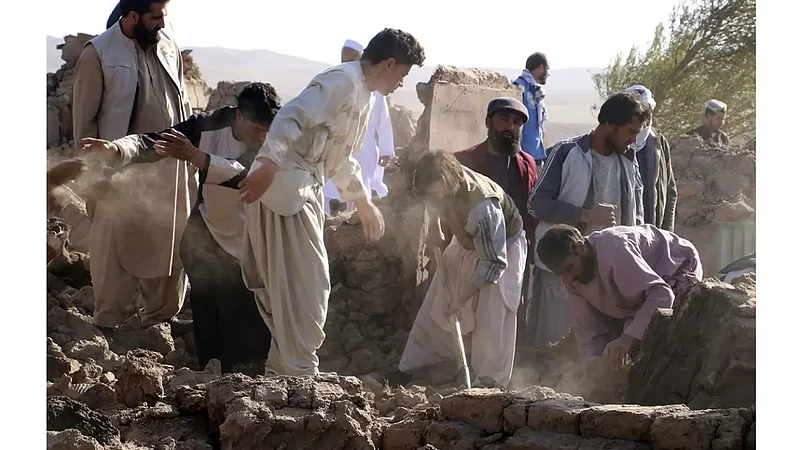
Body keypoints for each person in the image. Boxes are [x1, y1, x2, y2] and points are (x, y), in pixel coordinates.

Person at [237, 28, 425, 377]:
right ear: (388, 64)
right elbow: (292, 116)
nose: (401, 83)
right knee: (308, 286)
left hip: (302, 189)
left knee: (296, 287)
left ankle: (285, 370)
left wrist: (363, 201)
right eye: (402, 74)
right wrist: (268, 164)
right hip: (287, 189)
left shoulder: (364, 95)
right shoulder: (342, 81)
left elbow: (340, 157)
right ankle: (299, 371)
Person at [80, 83, 280, 373]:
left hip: (250, 240)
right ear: (239, 116)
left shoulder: (274, 140)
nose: (262, 136)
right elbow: (155, 142)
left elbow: (245, 176)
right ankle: (208, 375)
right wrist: (117, 149)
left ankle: (248, 377)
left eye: (266, 130)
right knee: (208, 314)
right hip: (207, 234)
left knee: (247, 320)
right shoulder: (208, 126)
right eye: (257, 129)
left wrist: (197, 157)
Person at [73, 0, 194, 331]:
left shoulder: (168, 46)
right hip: (118, 171)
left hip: (168, 169)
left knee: (170, 243)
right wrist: (93, 174)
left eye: (164, 17)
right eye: (155, 17)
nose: (162, 25)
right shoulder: (98, 54)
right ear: (132, 16)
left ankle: (160, 320)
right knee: (113, 248)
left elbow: (182, 103)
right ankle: (109, 324)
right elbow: (84, 122)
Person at [526, 91, 649, 349]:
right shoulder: (567, 152)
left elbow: (637, 215)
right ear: (609, 124)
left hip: (609, 274)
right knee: (556, 345)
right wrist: (584, 215)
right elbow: (536, 204)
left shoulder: (629, 160)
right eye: (630, 131)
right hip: (565, 269)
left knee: (601, 346)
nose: (633, 139)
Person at [398, 150, 527, 387]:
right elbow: (432, 202)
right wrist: (435, 228)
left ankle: (488, 383)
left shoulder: (483, 207)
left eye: (439, 193)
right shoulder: (437, 187)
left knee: (491, 313)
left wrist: (460, 299)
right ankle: (419, 365)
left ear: (450, 181)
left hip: (501, 248)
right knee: (438, 302)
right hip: (465, 239)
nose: (436, 198)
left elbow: (493, 263)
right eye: (431, 195)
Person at [536, 224, 703, 365]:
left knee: (644, 343)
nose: (569, 278)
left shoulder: (613, 251)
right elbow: (588, 330)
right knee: (615, 344)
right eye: (562, 274)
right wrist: (591, 364)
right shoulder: (572, 279)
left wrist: (627, 339)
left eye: (569, 267)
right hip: (638, 297)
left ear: (580, 247)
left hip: (677, 272)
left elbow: (662, 295)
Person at [451, 97, 539, 348]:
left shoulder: (527, 163)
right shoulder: (464, 161)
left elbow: (529, 210)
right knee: (468, 308)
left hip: (512, 250)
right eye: (504, 120)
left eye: (517, 122)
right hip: (473, 250)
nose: (510, 127)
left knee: (504, 311)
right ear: (488, 122)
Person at [323, 39, 397, 215]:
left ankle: (357, 220)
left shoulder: (375, 89)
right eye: (344, 60)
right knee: (334, 188)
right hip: (339, 146)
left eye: (350, 60)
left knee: (360, 187)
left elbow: (384, 121)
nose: (346, 64)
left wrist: (386, 151)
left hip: (364, 149)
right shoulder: (336, 83)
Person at [624, 85, 677, 231]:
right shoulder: (615, 143)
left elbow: (670, 190)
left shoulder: (658, 142)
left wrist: (667, 232)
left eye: (647, 115)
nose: (644, 122)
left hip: (653, 228)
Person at [512, 52, 550, 173]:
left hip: (537, 154)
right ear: (541, 68)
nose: (548, 74)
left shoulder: (536, 91)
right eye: (547, 70)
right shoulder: (519, 87)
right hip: (523, 156)